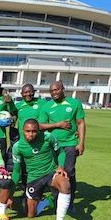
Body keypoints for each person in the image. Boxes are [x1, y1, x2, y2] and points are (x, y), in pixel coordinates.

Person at [12, 119, 71, 220]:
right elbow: (17, 172)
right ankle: (46, 202)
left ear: (39, 130)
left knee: (65, 184)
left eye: (34, 131)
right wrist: (10, 194)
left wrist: (60, 166)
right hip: (34, 179)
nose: (31, 134)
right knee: (30, 215)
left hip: (51, 173)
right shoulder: (17, 147)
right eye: (28, 131)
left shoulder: (48, 137)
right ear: (23, 131)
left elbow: (60, 152)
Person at [39, 81, 85, 212]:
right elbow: (41, 126)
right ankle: (56, 199)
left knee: (69, 171)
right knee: (55, 173)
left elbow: (81, 123)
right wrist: (57, 125)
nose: (54, 92)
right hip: (52, 145)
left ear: (63, 89)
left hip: (70, 144)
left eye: (57, 89)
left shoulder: (74, 103)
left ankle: (70, 202)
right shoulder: (47, 106)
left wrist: (81, 143)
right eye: (52, 90)